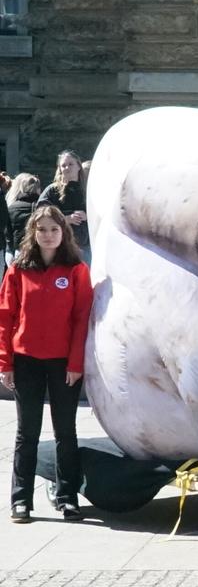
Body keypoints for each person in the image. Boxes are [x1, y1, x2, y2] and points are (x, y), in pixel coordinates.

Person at [0, 205, 92, 522]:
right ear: (33, 233)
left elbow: (83, 320)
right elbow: (5, 317)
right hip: (26, 361)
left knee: (66, 432)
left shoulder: (76, 269)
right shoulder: (19, 269)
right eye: (42, 230)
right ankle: (21, 500)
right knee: (28, 432)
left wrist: (76, 362)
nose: (48, 235)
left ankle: (67, 497)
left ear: (63, 233)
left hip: (64, 363)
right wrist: (5, 363)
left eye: (54, 229)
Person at [38, 150, 89, 260]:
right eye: (63, 165)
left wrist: (88, 216)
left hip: (85, 245)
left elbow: (103, 214)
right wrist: (65, 219)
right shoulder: (52, 190)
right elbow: (40, 213)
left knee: (85, 276)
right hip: (61, 245)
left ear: (78, 166)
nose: (67, 168)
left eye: (70, 164)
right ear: (59, 169)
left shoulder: (88, 190)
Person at [5, 173, 42, 253]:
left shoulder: (12, 207)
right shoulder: (43, 207)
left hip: (19, 249)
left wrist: (10, 250)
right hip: (38, 248)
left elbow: (8, 234)